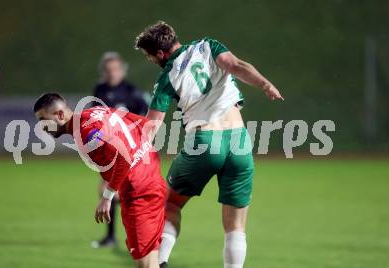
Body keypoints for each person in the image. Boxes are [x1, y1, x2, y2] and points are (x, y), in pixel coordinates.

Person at [134, 21, 284, 268]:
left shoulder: (167, 76)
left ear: (160, 53)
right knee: (235, 227)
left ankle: (160, 263)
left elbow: (152, 126)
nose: (150, 60)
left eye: (149, 56)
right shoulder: (208, 46)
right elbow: (237, 66)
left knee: (170, 204)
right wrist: (265, 84)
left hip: (204, 142)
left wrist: (136, 156)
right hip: (239, 142)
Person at [33, 93, 166, 268]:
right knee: (151, 259)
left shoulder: (85, 132)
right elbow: (142, 123)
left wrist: (107, 197)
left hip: (138, 194)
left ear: (59, 115)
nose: (41, 127)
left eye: (43, 119)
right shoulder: (96, 111)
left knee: (145, 264)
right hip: (152, 180)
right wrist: (142, 152)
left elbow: (123, 158)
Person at [92, 52, 149, 248]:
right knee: (111, 192)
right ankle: (116, 237)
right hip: (108, 148)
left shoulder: (132, 92)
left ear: (122, 70)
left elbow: (147, 117)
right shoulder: (99, 90)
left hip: (128, 150)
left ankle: (127, 236)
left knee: (114, 192)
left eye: (115, 69)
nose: (112, 73)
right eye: (108, 70)